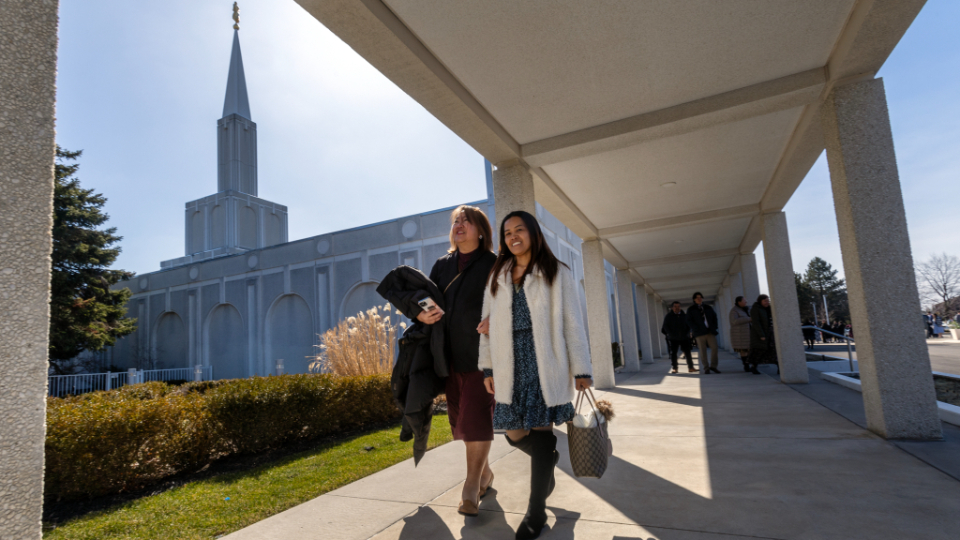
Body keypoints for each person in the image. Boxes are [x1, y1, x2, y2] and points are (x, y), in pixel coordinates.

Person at [479, 210, 593, 540]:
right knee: (513, 433)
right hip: (507, 362)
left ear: (533, 233)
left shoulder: (556, 272)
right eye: (507, 232)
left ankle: (536, 512)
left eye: (519, 230)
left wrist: (581, 369)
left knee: (541, 432)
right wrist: (487, 366)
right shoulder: (497, 275)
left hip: (545, 361)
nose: (513, 236)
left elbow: (572, 323)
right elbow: (486, 325)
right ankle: (547, 458)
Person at [422, 205, 497, 517]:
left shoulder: (494, 263)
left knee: (475, 419)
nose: (459, 224)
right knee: (460, 423)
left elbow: (514, 299)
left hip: (484, 357)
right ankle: (486, 474)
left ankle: (470, 488)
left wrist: (499, 316)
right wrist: (422, 311)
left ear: (480, 230)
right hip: (449, 356)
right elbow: (426, 296)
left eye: (466, 220)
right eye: (456, 221)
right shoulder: (442, 265)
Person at [686, 292, 720, 374]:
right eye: (697, 297)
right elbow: (688, 321)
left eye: (700, 297)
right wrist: (695, 329)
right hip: (699, 333)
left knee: (714, 348)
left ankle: (713, 366)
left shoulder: (708, 307)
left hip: (710, 331)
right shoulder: (691, 309)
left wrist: (714, 326)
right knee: (702, 350)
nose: (699, 298)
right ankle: (706, 368)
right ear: (694, 299)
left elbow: (714, 317)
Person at [662, 301, 695, 373]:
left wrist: (686, 333)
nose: (677, 308)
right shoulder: (668, 316)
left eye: (678, 306)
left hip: (684, 338)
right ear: (672, 308)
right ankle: (675, 368)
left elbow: (688, 325)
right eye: (675, 306)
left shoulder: (684, 316)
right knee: (673, 353)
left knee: (688, 352)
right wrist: (670, 334)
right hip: (673, 338)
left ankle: (691, 367)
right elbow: (665, 326)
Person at [749, 295, 777, 371]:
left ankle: (780, 367)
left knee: (773, 351)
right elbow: (756, 323)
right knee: (759, 351)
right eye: (765, 301)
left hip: (770, 333)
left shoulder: (769, 309)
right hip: (760, 334)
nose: (767, 303)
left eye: (768, 301)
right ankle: (754, 367)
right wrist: (761, 335)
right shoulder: (756, 309)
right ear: (760, 301)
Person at [730, 297, 755, 372]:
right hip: (740, 334)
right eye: (744, 301)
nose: (746, 302)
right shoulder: (734, 310)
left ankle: (749, 365)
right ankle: (746, 366)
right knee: (743, 350)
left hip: (748, 333)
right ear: (739, 302)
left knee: (748, 350)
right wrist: (748, 319)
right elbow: (734, 321)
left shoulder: (746, 309)